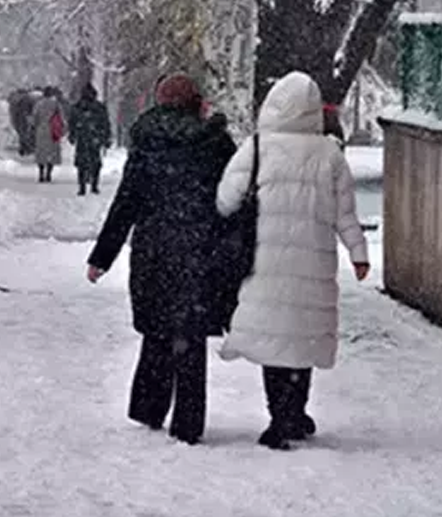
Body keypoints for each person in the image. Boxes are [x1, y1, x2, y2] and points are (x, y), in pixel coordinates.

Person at [216, 71, 369, 451]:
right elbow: (345, 214)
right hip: (313, 263)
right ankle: (295, 413)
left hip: (264, 261)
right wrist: (359, 253)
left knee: (274, 341)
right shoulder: (330, 154)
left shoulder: (256, 148)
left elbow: (226, 200)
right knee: (302, 339)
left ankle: (278, 416)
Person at [85, 73, 237, 445]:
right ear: (195, 102)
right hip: (200, 253)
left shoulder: (148, 142)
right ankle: (188, 422)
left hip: (155, 251)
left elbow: (127, 203)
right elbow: (234, 201)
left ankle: (150, 407)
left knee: (156, 331)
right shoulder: (215, 144)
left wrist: (102, 257)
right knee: (191, 338)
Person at [69, 84, 112, 195]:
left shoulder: (78, 107)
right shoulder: (99, 107)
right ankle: (94, 185)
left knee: (82, 164)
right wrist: (106, 138)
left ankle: (82, 186)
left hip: (82, 137)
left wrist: (73, 135)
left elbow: (72, 123)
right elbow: (105, 124)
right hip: (95, 137)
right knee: (95, 162)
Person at [32, 87, 65, 183]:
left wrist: (35, 126)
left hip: (41, 130)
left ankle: (41, 173)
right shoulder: (56, 104)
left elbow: (35, 118)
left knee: (41, 154)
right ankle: (49, 173)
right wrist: (62, 129)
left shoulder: (38, 104)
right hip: (53, 130)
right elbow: (61, 118)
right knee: (52, 153)